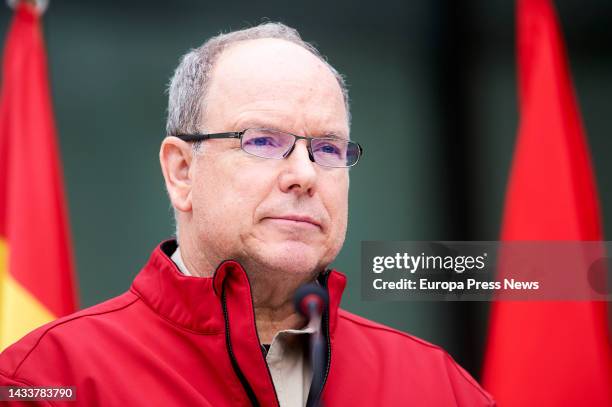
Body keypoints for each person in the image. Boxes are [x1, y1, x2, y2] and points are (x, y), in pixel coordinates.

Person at [0, 23, 495, 406]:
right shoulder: (48, 380)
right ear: (181, 172)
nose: (304, 174)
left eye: (327, 148)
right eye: (262, 141)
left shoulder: (436, 386)